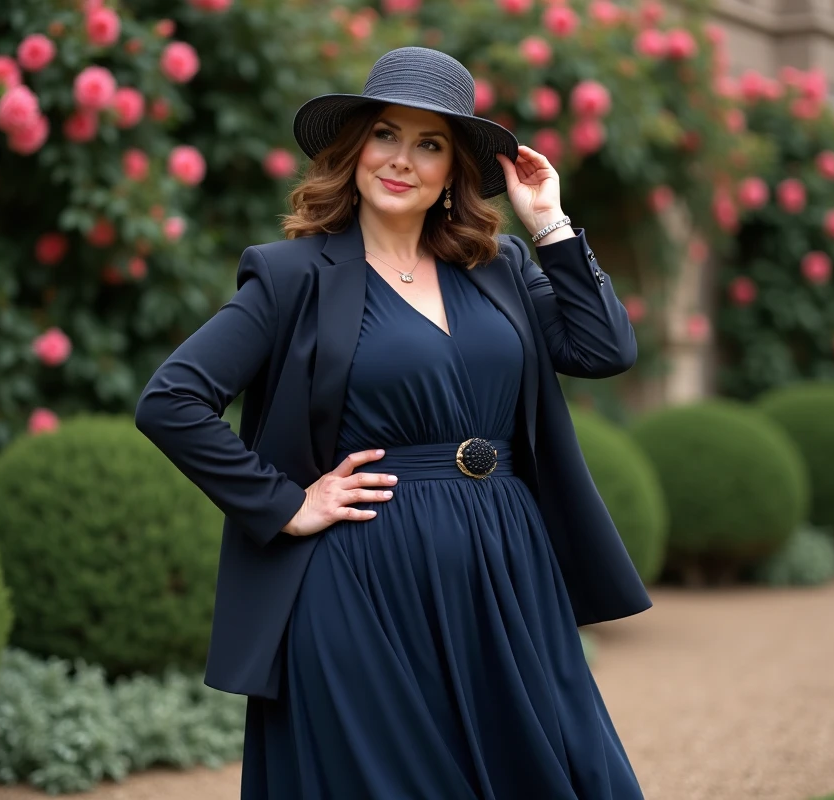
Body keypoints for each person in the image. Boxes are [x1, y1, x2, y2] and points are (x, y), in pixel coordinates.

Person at [135, 46, 651, 799]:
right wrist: (285, 505)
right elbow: (171, 401)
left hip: (505, 574)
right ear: (354, 150)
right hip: (360, 583)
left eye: (429, 143)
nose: (401, 159)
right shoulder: (292, 279)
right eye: (386, 135)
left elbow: (605, 348)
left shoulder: (499, 265)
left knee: (550, 770)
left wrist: (551, 224)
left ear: (453, 172)